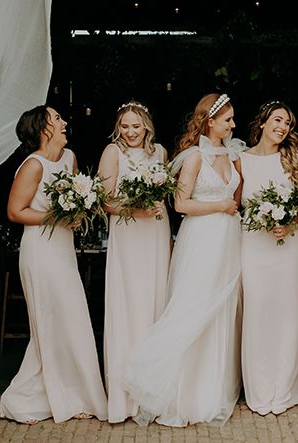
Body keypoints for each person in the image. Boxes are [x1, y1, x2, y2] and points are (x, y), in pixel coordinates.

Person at [124, 93, 244, 427]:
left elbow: (237, 198)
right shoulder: (193, 158)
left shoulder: (233, 155)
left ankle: (212, 388)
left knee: (221, 309)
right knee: (194, 307)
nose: (233, 125)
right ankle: (180, 392)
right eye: (227, 120)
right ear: (210, 121)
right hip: (201, 238)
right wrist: (220, 206)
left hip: (228, 238)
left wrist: (229, 208)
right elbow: (181, 205)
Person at [0, 106, 107, 424]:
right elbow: (15, 211)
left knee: (71, 321)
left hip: (63, 251)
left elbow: (75, 201)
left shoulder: (69, 158)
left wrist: (78, 213)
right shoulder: (34, 165)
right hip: (40, 252)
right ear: (44, 129)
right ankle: (24, 398)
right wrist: (57, 217)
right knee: (48, 324)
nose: (64, 122)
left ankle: (76, 397)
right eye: (57, 119)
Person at [98, 101, 171, 423]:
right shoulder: (112, 152)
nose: (130, 132)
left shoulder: (161, 153)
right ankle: (124, 397)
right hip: (128, 234)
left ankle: (153, 391)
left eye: (136, 126)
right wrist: (136, 209)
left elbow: (165, 194)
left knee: (155, 302)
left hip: (155, 231)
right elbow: (105, 201)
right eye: (125, 126)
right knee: (129, 303)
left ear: (146, 127)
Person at [239, 101, 298, 415]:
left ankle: (286, 384)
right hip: (254, 245)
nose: (282, 127)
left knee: (288, 311)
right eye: (278, 120)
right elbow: (234, 203)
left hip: (288, 245)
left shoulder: (295, 158)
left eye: (287, 123)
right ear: (263, 122)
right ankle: (260, 386)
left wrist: (292, 222)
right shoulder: (241, 160)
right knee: (258, 310)